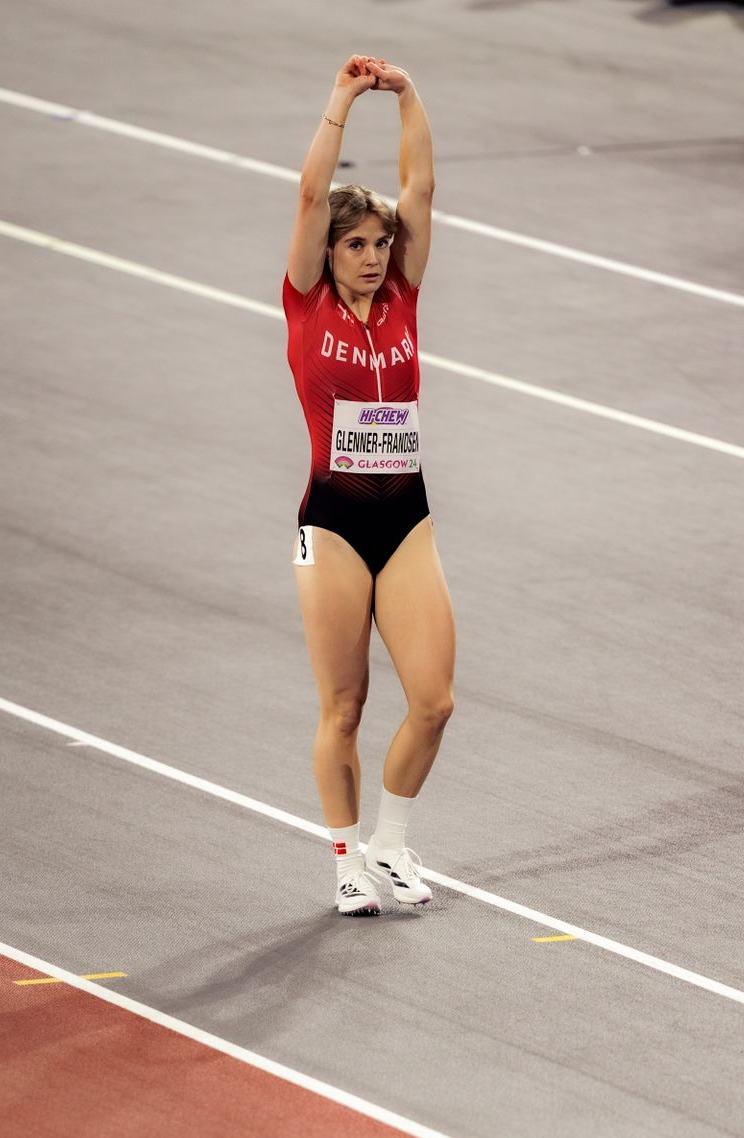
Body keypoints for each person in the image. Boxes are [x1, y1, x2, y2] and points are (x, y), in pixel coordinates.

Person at [283, 55, 456, 916]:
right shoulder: (306, 300)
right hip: (336, 521)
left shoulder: (402, 301)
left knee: (434, 702)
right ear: (329, 251)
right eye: (357, 244)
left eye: (380, 245)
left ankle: (391, 843)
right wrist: (345, 100)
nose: (372, 256)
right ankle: (347, 859)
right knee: (344, 706)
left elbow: (419, 186)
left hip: (406, 517)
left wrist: (411, 94)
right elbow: (312, 196)